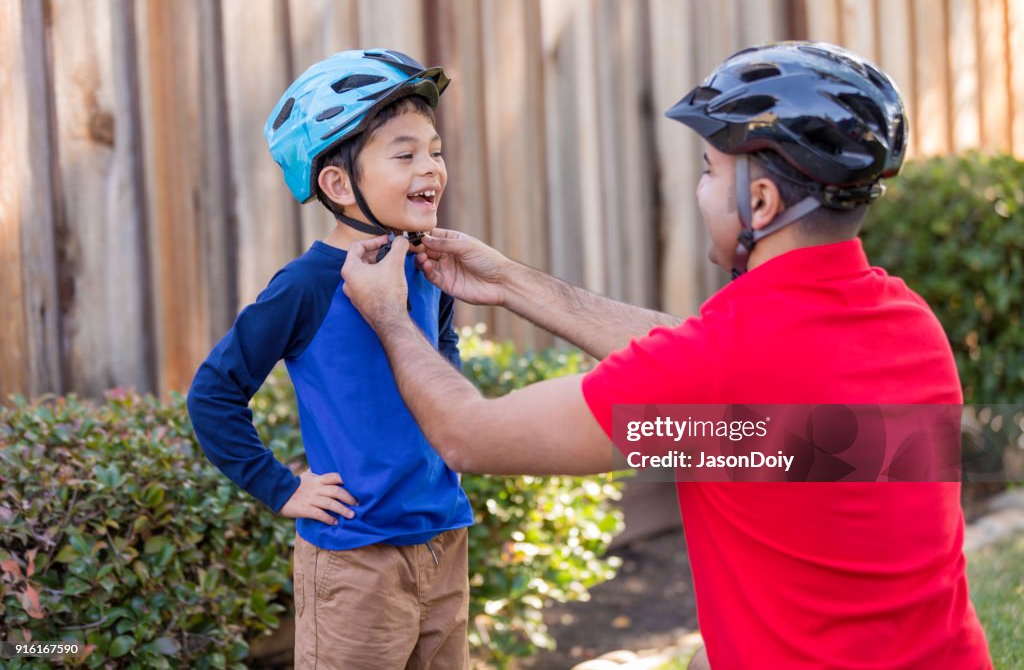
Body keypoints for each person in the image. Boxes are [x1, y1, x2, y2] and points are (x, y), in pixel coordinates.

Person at [340, 42, 993, 668]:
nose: (702, 190)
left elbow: (469, 438)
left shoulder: (723, 365)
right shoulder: (907, 322)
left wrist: (392, 319)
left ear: (760, 203)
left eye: (711, 172)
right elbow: (714, 375)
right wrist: (513, 283)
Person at [186, 49, 473, 670]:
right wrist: (282, 487)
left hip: (444, 540)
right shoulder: (307, 286)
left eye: (435, 149)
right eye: (405, 154)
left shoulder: (425, 265)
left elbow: (443, 348)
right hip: (356, 560)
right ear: (339, 184)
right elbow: (213, 394)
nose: (431, 167)